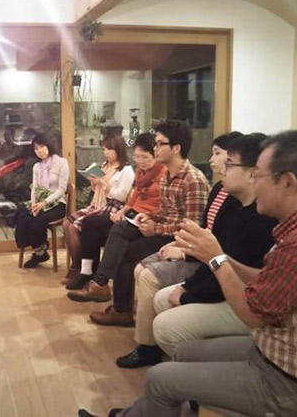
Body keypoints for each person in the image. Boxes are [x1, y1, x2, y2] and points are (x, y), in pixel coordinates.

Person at [80, 130, 297, 417]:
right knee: (183, 354)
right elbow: (270, 282)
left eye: (260, 175)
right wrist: (218, 256)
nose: (255, 183)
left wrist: (215, 259)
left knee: (159, 378)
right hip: (278, 354)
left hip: (293, 382)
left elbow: (252, 313)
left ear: (288, 183)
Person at [116, 133, 277, 369]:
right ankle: (175, 363)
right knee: (126, 248)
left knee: (150, 281)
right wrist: (188, 284)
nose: (217, 165)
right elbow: (213, 253)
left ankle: (183, 371)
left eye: (225, 160)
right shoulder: (229, 200)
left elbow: (222, 262)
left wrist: (189, 287)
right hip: (208, 268)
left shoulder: (265, 217)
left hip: (241, 300)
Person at [67, 120, 210, 308]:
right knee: (116, 231)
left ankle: (109, 296)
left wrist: (155, 226)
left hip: (177, 239)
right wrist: (150, 217)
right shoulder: (168, 175)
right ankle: (105, 292)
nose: (156, 149)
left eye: (160, 144)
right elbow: (165, 210)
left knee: (122, 244)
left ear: (176, 148)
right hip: (157, 227)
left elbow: (193, 226)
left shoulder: (192, 179)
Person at [66, 133, 163, 291]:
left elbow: (124, 196)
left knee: (106, 229)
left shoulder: (153, 173)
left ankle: (99, 280)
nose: (140, 161)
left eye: (145, 157)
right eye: (137, 157)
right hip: (129, 213)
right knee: (88, 223)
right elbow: (134, 197)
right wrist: (123, 211)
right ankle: (85, 271)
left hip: (137, 218)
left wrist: (105, 187)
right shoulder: (140, 172)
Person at [62, 135, 134, 287]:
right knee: (66, 223)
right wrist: (94, 183)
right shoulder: (105, 165)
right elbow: (97, 190)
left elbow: (121, 195)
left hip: (113, 206)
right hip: (98, 202)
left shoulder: (126, 170)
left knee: (75, 228)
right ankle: (78, 266)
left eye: (110, 149)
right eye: (104, 149)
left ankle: (80, 269)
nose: (106, 153)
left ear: (119, 150)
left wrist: (103, 184)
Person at [14, 132, 69, 268]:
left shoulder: (62, 163)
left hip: (56, 203)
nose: (40, 151)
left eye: (42, 147)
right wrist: (34, 204)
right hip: (39, 201)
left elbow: (61, 190)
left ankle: (39, 251)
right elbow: (34, 188)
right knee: (22, 214)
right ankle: (40, 250)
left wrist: (44, 203)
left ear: (49, 145)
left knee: (37, 220)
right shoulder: (36, 167)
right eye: (36, 148)